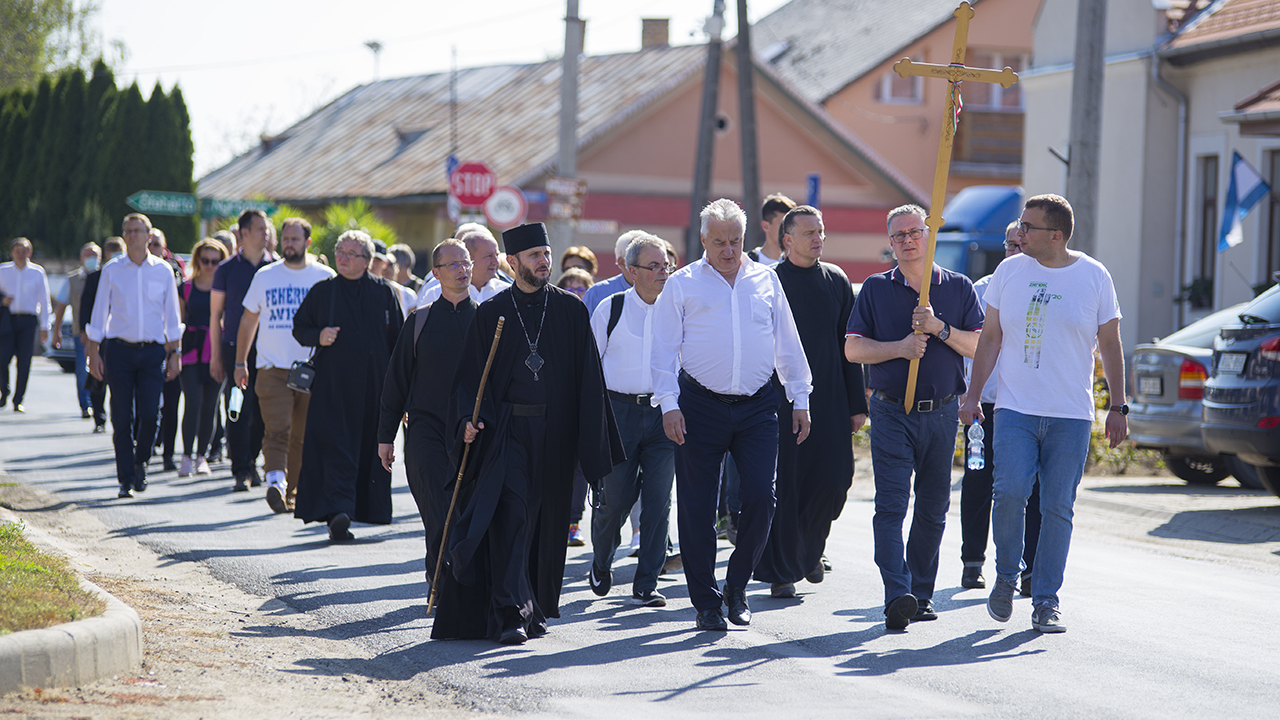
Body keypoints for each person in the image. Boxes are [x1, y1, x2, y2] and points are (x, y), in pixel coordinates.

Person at [433, 222, 621, 645]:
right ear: (512, 262)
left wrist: (593, 451)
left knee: (545, 526)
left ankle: (532, 608)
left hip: (555, 438)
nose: (544, 262)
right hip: (508, 434)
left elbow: (589, 382)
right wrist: (466, 419)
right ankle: (509, 613)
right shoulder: (491, 313)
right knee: (512, 519)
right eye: (534, 256)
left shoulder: (571, 312)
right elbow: (469, 381)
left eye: (546, 254)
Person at [960, 194, 1127, 634]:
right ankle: (1006, 575)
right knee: (1010, 493)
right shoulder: (1008, 272)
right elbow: (990, 338)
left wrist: (1118, 405)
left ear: (1055, 235)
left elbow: (1110, 344)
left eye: (1028, 227)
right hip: (1015, 409)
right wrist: (973, 395)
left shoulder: (1094, 276)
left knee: (1057, 506)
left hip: (1070, 415)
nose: (1019, 232)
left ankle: (1046, 600)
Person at [651, 198, 813, 632]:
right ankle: (705, 601)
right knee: (697, 508)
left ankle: (737, 589)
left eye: (736, 241)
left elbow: (787, 342)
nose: (728, 249)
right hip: (698, 406)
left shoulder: (766, 280)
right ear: (702, 239)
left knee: (762, 496)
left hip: (759, 405)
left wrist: (800, 398)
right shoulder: (683, 284)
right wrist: (668, 405)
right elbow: (663, 351)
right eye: (719, 241)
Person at [844, 203, 983, 630]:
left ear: (929, 234)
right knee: (891, 506)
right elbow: (852, 349)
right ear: (890, 243)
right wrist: (900, 347)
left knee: (932, 508)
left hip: (941, 412)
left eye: (914, 232)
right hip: (890, 410)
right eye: (899, 235)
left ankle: (920, 594)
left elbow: (978, 346)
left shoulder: (958, 287)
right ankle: (896, 593)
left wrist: (940, 329)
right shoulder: (875, 288)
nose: (907, 240)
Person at [755, 206, 868, 599]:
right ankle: (783, 570)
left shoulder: (836, 280)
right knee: (787, 484)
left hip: (831, 400)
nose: (818, 238)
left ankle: (809, 550)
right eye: (809, 233)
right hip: (781, 403)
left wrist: (857, 404)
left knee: (835, 480)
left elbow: (849, 346)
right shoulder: (768, 282)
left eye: (821, 232)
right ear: (787, 240)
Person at [377, 239, 477, 590]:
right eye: (454, 264)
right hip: (424, 432)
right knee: (438, 511)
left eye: (466, 263)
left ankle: (453, 583)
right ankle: (440, 580)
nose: (463, 270)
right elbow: (396, 381)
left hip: (472, 434)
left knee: (462, 512)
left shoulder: (486, 321)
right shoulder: (419, 322)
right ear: (435, 273)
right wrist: (385, 436)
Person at [292, 230, 403, 540]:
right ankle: (337, 513)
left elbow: (398, 341)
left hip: (373, 390)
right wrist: (319, 336)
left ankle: (357, 510)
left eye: (351, 254)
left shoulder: (384, 293)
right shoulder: (322, 291)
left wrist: (401, 390)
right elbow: (300, 328)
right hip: (332, 389)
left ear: (367, 261)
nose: (342, 257)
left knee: (368, 449)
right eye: (340, 251)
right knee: (335, 448)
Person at [587, 234, 676, 607]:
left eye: (665, 265)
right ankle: (602, 560)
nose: (662, 272)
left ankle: (647, 582)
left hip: (663, 414)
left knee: (659, 501)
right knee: (615, 500)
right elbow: (589, 369)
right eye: (653, 266)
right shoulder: (611, 309)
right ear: (631, 270)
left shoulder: (678, 309)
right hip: (617, 413)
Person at [959, 223, 1042, 593]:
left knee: (1030, 490)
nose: (1015, 250)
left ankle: (1029, 569)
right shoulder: (981, 290)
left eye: (1021, 244)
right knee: (978, 483)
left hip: (1030, 406)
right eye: (1009, 244)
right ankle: (972, 561)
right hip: (986, 407)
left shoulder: (1045, 287)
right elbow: (974, 343)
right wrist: (969, 396)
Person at [236, 218, 336, 514]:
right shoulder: (265, 276)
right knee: (277, 427)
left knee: (301, 433)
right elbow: (248, 320)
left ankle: (291, 491)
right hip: (271, 367)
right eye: (285, 239)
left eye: (295, 239)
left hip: (311, 368)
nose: (289, 244)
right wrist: (241, 362)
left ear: (307, 242)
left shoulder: (325, 277)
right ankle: (276, 481)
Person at [86, 214, 183, 498]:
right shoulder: (112, 269)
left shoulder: (163, 270)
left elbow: (172, 318)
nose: (132, 235)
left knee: (151, 414)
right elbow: (99, 313)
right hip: (119, 351)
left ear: (149, 235)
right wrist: (94, 353)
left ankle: (141, 461)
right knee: (121, 416)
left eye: (137, 231)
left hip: (153, 352)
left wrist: (175, 353)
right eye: (127, 231)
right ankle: (126, 478)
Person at [210, 209, 273, 492]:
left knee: (262, 411)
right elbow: (216, 316)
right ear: (244, 233)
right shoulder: (225, 270)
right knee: (237, 407)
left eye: (267, 229)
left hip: (269, 350)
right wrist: (215, 355)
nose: (266, 233)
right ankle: (241, 470)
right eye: (260, 228)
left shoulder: (276, 268)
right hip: (235, 350)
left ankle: (253, 458)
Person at [178, 239, 228, 477]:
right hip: (190, 351)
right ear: (197, 259)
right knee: (193, 402)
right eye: (205, 260)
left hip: (216, 351)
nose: (209, 265)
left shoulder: (227, 289)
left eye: (215, 261)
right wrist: (173, 352)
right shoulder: (186, 288)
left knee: (211, 406)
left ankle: (202, 456)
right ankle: (186, 456)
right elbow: (177, 321)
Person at [0, 238, 53, 412]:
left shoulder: (37, 272)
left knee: (24, 362)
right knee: (2, 359)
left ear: (29, 253)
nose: (21, 255)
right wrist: (2, 300)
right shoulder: (3, 270)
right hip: (7, 320)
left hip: (28, 321)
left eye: (24, 251)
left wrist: (45, 326)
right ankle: (4, 390)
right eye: (17, 251)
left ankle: (18, 399)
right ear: (12, 253)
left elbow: (44, 301)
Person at [80, 237, 125, 432]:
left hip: (120, 335)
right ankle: (99, 418)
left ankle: (121, 420)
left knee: (118, 379)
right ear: (105, 254)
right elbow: (86, 307)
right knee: (97, 376)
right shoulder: (95, 277)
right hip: (100, 334)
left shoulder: (128, 274)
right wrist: (85, 332)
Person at [52, 242, 102, 420]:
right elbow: (61, 306)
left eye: (94, 255)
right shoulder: (73, 279)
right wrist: (56, 330)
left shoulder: (104, 276)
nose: (91, 258)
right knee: (83, 369)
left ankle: (99, 407)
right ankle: (85, 405)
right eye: (87, 255)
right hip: (80, 333)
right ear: (81, 258)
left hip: (102, 333)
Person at [149, 228, 185, 471]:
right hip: (144, 350)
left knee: (171, 405)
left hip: (169, 347)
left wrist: (175, 352)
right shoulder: (124, 271)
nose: (152, 249)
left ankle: (168, 455)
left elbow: (176, 316)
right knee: (147, 405)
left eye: (156, 245)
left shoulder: (173, 274)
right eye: (150, 244)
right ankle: (145, 445)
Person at [416, 226, 511, 307]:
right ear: (469, 258)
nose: (496, 262)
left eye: (497, 255)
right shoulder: (436, 293)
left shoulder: (508, 293)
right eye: (488, 256)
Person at [581, 230, 646, 312]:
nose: (646, 262)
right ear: (622, 262)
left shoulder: (662, 291)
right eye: (638, 256)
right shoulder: (597, 294)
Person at [746, 193, 796, 266]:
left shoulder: (798, 265)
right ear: (766, 226)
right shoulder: (748, 263)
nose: (788, 229)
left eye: (792, 225)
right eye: (782, 224)